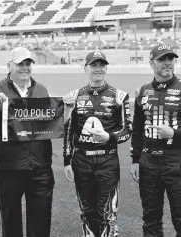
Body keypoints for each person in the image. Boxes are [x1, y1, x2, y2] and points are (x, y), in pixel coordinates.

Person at [130, 44, 181, 236]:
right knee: (150, 219)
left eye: (171, 59)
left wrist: (175, 133)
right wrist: (135, 159)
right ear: (151, 63)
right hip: (148, 163)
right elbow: (137, 129)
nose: (167, 63)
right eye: (162, 59)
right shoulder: (142, 91)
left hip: (177, 162)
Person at [0, 47, 54, 237]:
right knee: (11, 222)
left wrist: (66, 110)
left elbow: (51, 123)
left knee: (41, 222)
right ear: (9, 66)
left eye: (28, 64)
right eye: (20, 64)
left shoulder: (42, 90)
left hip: (40, 167)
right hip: (8, 167)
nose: (25, 68)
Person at [62, 50, 132, 237]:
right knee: (87, 212)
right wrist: (67, 160)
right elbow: (68, 130)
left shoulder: (120, 96)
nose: (98, 69)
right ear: (86, 68)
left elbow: (127, 130)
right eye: (94, 65)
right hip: (81, 162)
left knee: (107, 213)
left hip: (107, 162)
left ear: (106, 69)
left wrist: (109, 137)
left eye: (102, 65)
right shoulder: (74, 96)